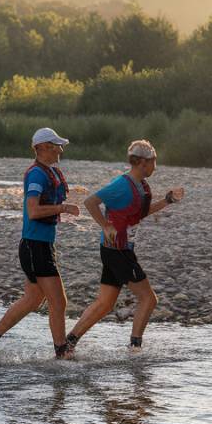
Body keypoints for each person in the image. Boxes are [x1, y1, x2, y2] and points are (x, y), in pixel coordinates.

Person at [64, 139, 184, 354]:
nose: (155, 167)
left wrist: (167, 201)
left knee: (105, 303)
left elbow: (140, 214)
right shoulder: (121, 184)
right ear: (144, 163)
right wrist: (106, 225)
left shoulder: (142, 186)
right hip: (117, 251)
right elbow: (90, 202)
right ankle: (135, 349)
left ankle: (68, 344)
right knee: (148, 299)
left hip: (117, 251)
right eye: (154, 162)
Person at [0, 128, 80, 360]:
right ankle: (62, 352)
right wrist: (62, 208)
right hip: (35, 247)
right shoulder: (37, 175)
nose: (61, 150)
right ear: (43, 148)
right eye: (56, 145)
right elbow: (33, 211)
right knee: (58, 301)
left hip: (39, 246)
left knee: (32, 300)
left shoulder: (49, 172)